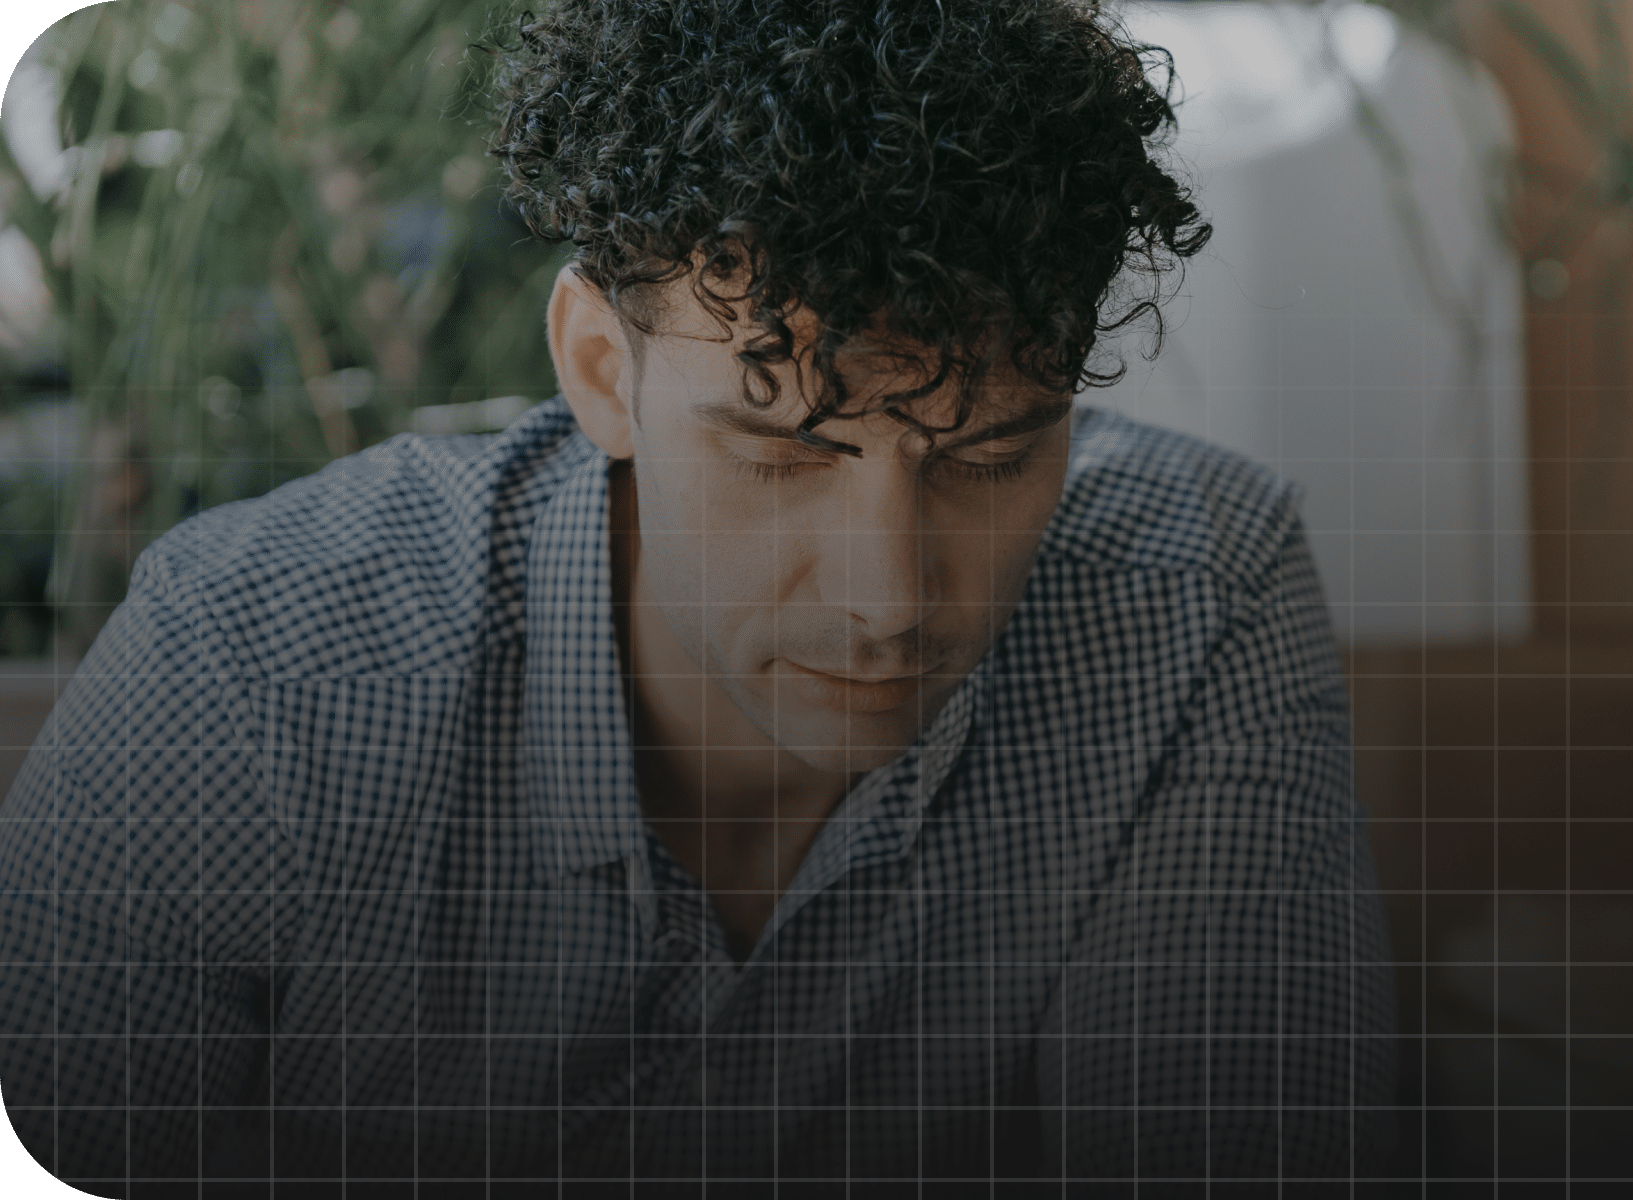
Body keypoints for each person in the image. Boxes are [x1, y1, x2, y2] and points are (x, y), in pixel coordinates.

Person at [0, 0, 1395, 1188]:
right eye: (783, 454)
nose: (890, 599)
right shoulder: (247, 667)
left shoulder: (1192, 596)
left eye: (986, 457)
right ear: (600, 371)